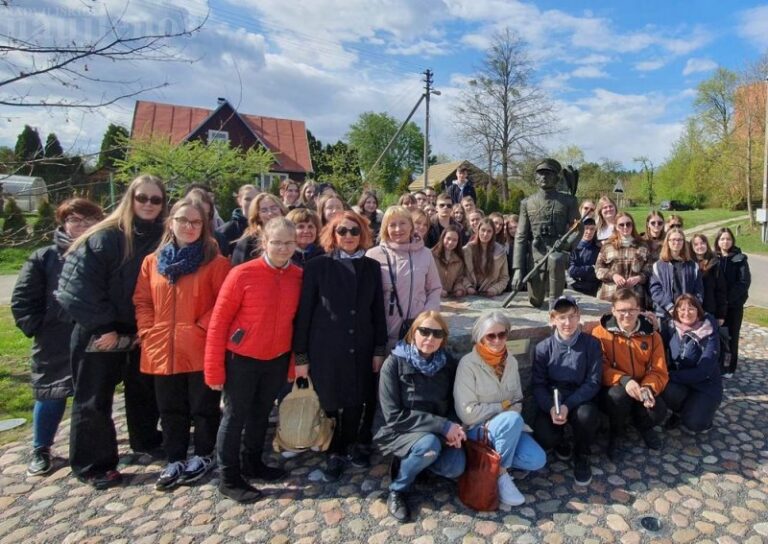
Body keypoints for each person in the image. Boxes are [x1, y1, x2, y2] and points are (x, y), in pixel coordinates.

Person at [56, 175, 167, 489]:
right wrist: (103, 326)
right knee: (94, 399)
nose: (148, 204)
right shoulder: (104, 236)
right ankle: (93, 464)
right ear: (129, 199)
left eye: (155, 199)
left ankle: (145, 439)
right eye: (142, 198)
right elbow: (76, 288)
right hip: (100, 331)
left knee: (143, 390)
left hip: (141, 329)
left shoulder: (163, 237)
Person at [133, 198, 231, 491]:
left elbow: (224, 303)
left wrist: (200, 327)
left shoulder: (215, 261)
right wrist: (147, 329)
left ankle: (203, 453)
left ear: (204, 226)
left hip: (199, 345)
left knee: (203, 406)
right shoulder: (153, 262)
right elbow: (142, 300)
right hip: (162, 346)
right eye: (183, 221)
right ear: (171, 222)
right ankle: (174, 456)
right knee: (169, 407)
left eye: (196, 222)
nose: (189, 227)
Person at [204, 217, 303, 503]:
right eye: (277, 242)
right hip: (241, 358)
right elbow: (219, 322)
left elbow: (297, 324)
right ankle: (228, 476)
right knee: (234, 417)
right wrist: (213, 370)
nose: (283, 248)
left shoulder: (298, 276)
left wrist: (293, 364)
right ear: (264, 243)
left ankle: (253, 462)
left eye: (289, 243)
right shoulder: (242, 274)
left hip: (276, 357)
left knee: (261, 414)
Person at [11, 198, 104, 476]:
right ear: (63, 223)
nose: (82, 226)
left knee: (92, 395)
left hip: (92, 336)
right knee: (50, 395)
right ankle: (41, 448)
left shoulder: (103, 252)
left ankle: (91, 444)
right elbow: (22, 300)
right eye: (75, 220)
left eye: (89, 221)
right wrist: (40, 326)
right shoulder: (44, 257)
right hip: (55, 339)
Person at [293, 211, 387, 482]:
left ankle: (352, 444)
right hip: (327, 345)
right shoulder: (317, 265)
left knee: (357, 397)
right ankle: (333, 450)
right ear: (333, 234)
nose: (348, 236)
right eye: (342, 231)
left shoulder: (370, 267)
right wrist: (301, 355)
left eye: (354, 231)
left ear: (363, 234)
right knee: (331, 399)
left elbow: (377, 310)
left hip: (361, 343)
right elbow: (305, 312)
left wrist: (379, 348)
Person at [374, 312, 465, 523]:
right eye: (424, 331)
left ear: (443, 338)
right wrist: (442, 426)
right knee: (429, 445)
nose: (430, 338)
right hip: (399, 430)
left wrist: (454, 427)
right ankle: (398, 488)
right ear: (413, 333)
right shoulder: (394, 364)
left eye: (437, 333)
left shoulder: (447, 364)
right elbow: (393, 416)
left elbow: (453, 401)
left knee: (455, 467)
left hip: (436, 430)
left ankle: (417, 464)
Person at [454, 311, 546, 507]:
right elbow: (467, 413)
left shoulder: (510, 361)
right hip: (478, 429)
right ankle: (501, 475)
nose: (497, 340)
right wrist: (503, 409)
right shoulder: (468, 365)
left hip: (507, 427)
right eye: (491, 336)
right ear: (480, 337)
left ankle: (488, 466)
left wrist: (509, 415)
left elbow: (518, 399)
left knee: (537, 459)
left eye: (502, 334)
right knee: (511, 420)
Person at [531, 296, 601, 486]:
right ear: (553, 319)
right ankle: (561, 440)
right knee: (544, 435)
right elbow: (538, 384)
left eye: (571, 316)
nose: (567, 323)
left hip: (580, 398)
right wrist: (550, 407)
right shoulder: (543, 348)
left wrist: (568, 405)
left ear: (578, 317)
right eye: (561, 317)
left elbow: (593, 381)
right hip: (555, 398)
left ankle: (582, 454)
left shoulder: (591, 344)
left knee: (586, 416)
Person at [592, 289, 668, 460]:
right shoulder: (600, 333)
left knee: (658, 411)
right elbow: (600, 367)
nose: (627, 315)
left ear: (638, 310)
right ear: (613, 311)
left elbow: (659, 369)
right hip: (615, 387)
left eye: (631, 310)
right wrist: (625, 380)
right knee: (617, 397)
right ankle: (616, 434)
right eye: (621, 310)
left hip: (642, 386)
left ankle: (643, 426)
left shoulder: (652, 335)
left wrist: (649, 387)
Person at [366, 206, 442, 352]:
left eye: (402, 223)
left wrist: (426, 318)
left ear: (411, 226)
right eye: (392, 224)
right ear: (385, 228)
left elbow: (434, 289)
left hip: (417, 333)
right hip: (383, 336)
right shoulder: (373, 255)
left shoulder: (425, 254)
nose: (398, 229)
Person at [512, 159, 582, 308]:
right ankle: (543, 294)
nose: (544, 177)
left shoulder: (568, 201)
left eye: (548, 174)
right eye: (541, 174)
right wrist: (518, 270)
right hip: (536, 256)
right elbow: (521, 236)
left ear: (556, 178)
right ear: (536, 178)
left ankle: (555, 304)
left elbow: (577, 229)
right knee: (535, 301)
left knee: (555, 259)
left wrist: (566, 243)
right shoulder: (527, 203)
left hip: (558, 253)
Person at [660, 295, 722, 434]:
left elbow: (703, 371)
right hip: (681, 382)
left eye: (691, 308)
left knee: (694, 424)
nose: (686, 313)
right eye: (682, 309)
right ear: (676, 311)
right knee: (664, 387)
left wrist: (670, 375)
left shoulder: (709, 333)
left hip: (705, 386)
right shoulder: (670, 327)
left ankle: (703, 417)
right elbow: (657, 344)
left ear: (698, 311)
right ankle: (678, 412)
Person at [714, 227, 750, 378]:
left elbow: (743, 282)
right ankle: (718, 363)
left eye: (728, 239)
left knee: (732, 336)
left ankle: (730, 367)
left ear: (732, 241)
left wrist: (727, 299)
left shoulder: (739, 259)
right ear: (717, 241)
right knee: (717, 336)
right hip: (717, 306)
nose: (725, 242)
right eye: (722, 239)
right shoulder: (714, 258)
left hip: (733, 306)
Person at [595, 212, 652, 306]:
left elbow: (649, 269)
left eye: (628, 224)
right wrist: (613, 276)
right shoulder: (608, 246)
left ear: (633, 225)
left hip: (635, 295)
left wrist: (639, 278)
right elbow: (598, 269)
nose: (625, 227)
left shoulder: (642, 245)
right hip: (610, 294)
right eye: (621, 225)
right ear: (616, 227)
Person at [649, 228, 703, 319]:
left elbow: (699, 291)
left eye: (679, 240)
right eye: (673, 240)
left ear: (683, 242)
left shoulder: (693, 266)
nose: (676, 242)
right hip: (665, 314)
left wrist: (688, 308)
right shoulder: (658, 266)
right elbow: (655, 290)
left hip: (687, 315)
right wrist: (669, 306)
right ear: (668, 242)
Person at [230, 193, 286, 266]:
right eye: (264, 210)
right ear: (258, 216)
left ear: (281, 210)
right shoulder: (248, 242)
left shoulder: (293, 236)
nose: (270, 213)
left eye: (274, 208)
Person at [463, 218, 510, 297]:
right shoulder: (467, 250)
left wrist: (494, 290)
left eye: (489, 231)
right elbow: (460, 274)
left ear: (493, 233)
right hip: (469, 293)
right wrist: (468, 287)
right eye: (483, 230)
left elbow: (504, 277)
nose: (485, 234)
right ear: (478, 231)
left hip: (490, 294)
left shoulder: (500, 252)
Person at [690, 233, 727, 325]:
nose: (700, 246)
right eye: (696, 244)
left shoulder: (715, 263)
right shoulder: (688, 264)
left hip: (709, 310)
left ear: (707, 244)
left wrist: (721, 315)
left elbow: (721, 290)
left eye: (702, 243)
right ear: (692, 247)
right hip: (691, 310)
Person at [216, 184, 257, 258]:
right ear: (239, 201)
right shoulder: (225, 231)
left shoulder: (268, 227)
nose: (252, 203)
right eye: (247, 199)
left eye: (256, 199)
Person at [431, 225, 468, 297]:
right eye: (448, 238)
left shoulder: (459, 260)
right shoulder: (431, 255)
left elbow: (459, 279)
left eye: (455, 240)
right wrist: (438, 290)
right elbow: (426, 279)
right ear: (443, 238)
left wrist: (459, 289)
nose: (451, 242)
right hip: (432, 296)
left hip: (450, 298)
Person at [568, 217, 600, 297]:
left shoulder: (597, 249)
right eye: (586, 228)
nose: (589, 232)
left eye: (592, 229)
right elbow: (571, 271)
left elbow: (598, 271)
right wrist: (591, 268)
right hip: (573, 287)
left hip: (592, 288)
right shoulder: (572, 247)